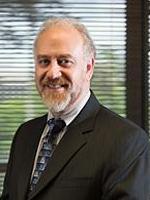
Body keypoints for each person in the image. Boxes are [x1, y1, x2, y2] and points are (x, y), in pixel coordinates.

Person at [1, 17, 150, 200]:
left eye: (64, 61)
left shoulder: (127, 141)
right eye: (44, 62)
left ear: (88, 68)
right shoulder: (25, 135)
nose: (53, 73)